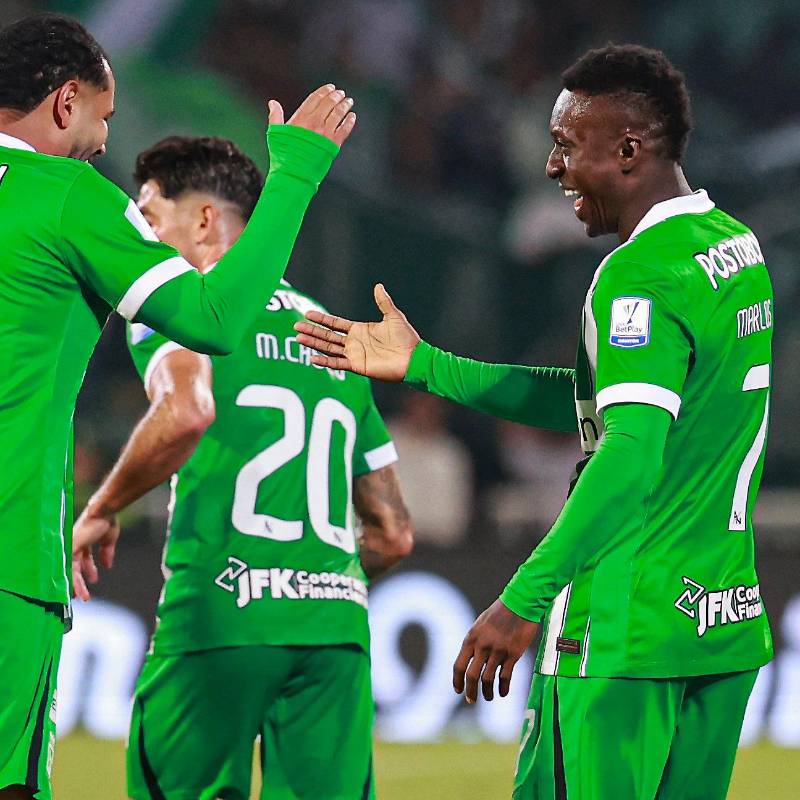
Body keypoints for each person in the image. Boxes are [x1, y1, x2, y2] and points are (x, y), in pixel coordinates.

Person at [294, 44, 773, 799]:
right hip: (719, 622)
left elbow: (631, 453)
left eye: (564, 146)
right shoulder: (732, 248)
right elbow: (604, 403)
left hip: (623, 630)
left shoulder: (639, 273)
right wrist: (425, 365)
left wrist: (523, 599)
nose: (552, 169)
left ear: (626, 149)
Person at [0, 13, 354, 800]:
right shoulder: (64, 196)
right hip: (8, 551)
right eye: (103, 115)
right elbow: (215, 320)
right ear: (65, 103)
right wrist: (296, 174)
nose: (103, 141)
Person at [72, 135, 414, 800]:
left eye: (148, 218)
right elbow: (394, 532)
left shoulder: (185, 312)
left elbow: (183, 411)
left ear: (203, 220)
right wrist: (306, 585)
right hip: (333, 633)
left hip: (222, 621)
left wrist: (103, 507)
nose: (140, 237)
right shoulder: (335, 336)